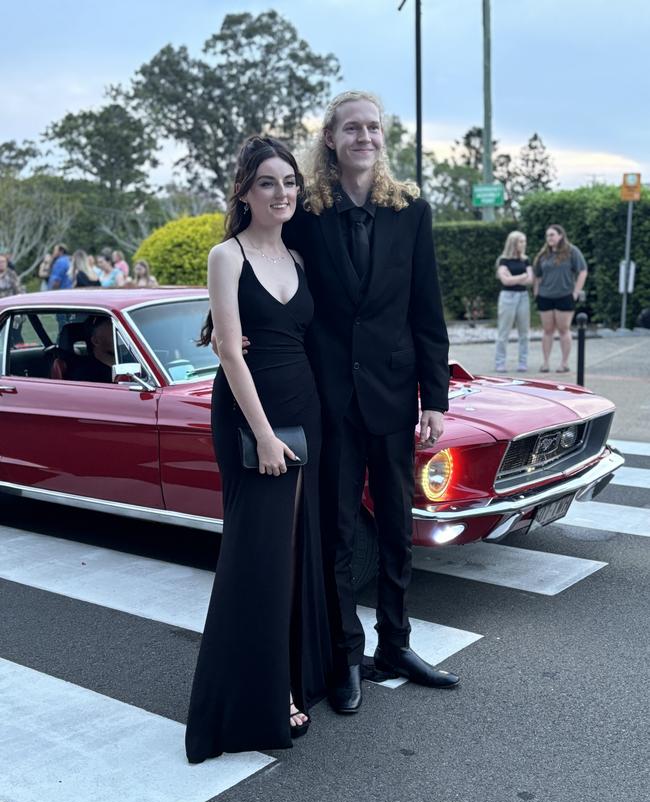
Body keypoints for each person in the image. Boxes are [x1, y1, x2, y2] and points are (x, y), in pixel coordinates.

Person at [284, 90, 459, 714]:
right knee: (336, 532)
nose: (365, 136)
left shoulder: (412, 210)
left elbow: (426, 310)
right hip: (329, 399)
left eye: (374, 128)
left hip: (393, 392)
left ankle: (397, 644)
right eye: (351, 128)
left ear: (383, 138)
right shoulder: (303, 212)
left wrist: (433, 399)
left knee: (395, 528)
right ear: (330, 139)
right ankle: (344, 655)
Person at [185, 136, 331, 763]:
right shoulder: (228, 255)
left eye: (290, 181)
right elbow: (226, 349)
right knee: (259, 558)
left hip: (306, 412)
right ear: (244, 191)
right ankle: (257, 699)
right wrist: (265, 434)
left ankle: (297, 675)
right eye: (268, 182)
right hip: (253, 421)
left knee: (297, 552)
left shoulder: (298, 255)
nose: (283, 193)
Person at [533, 224, 588, 373]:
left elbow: (582, 271)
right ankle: (545, 363)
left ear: (560, 236)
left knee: (564, 330)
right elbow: (537, 275)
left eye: (552, 235)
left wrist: (576, 292)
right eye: (547, 236)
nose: (549, 238)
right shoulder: (543, 255)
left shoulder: (572, 251)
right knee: (547, 330)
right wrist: (536, 292)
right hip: (545, 296)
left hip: (564, 296)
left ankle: (564, 363)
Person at [494, 230, 533, 373]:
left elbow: (530, 279)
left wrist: (515, 278)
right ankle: (500, 362)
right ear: (513, 243)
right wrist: (522, 276)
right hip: (507, 297)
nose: (524, 244)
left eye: (524, 241)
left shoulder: (526, 260)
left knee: (524, 332)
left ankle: (523, 363)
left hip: (523, 296)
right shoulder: (503, 260)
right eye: (521, 241)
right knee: (504, 332)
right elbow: (505, 281)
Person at [65, 317, 115, 383]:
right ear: (96, 341)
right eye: (114, 335)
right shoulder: (85, 375)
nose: (121, 340)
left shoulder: (127, 360)